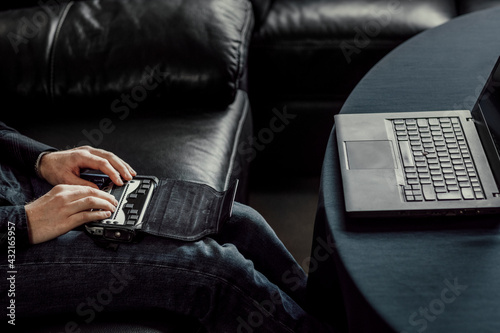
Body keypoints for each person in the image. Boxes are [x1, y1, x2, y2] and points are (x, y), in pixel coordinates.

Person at [0, 121, 335, 332]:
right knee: (215, 272)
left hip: (13, 182)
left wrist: (41, 159)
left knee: (239, 220)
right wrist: (22, 222)